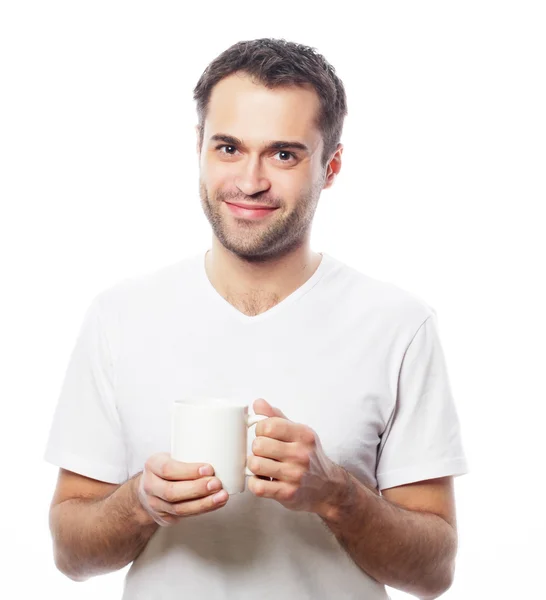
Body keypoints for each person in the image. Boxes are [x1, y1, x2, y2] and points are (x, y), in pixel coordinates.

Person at [44, 37, 468, 600]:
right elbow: (70, 554)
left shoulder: (398, 325)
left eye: (284, 154)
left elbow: (434, 573)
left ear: (331, 165)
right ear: (199, 146)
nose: (250, 181)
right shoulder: (119, 318)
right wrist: (139, 502)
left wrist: (336, 494)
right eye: (228, 148)